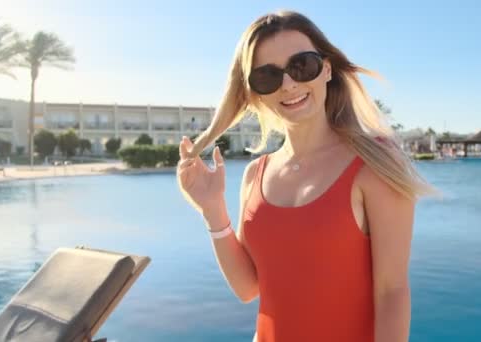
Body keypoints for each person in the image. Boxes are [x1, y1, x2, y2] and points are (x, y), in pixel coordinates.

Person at [177, 10, 433, 342]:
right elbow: (249, 287)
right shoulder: (256, 173)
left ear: (326, 69)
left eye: (302, 66)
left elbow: (392, 292)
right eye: (268, 77)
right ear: (255, 93)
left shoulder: (375, 164)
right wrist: (212, 209)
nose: (288, 84)